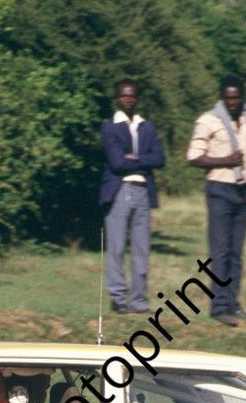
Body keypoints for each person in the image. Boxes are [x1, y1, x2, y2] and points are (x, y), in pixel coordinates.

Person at [187, 76, 246, 326]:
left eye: (236, 97)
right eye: (228, 98)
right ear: (221, 98)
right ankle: (218, 306)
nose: (232, 102)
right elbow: (193, 157)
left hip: (242, 190)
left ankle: (233, 302)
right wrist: (226, 161)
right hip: (220, 189)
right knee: (220, 251)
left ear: (242, 97)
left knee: (236, 252)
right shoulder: (208, 120)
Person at [99, 79, 166, 315]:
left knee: (141, 249)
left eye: (132, 95)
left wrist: (134, 159)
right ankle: (118, 298)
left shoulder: (147, 127)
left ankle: (139, 301)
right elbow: (117, 162)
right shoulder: (110, 127)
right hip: (120, 190)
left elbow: (160, 158)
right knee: (117, 247)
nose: (128, 99)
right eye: (124, 95)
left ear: (138, 99)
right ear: (117, 99)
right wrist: (143, 161)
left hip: (143, 191)